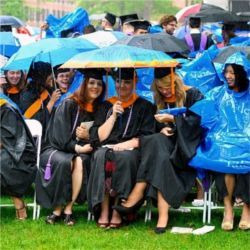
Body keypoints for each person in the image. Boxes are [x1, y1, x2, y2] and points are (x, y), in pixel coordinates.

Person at [114, 67, 203, 234]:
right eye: (160, 88)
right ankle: (162, 216)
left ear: (176, 82)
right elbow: (155, 128)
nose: (165, 91)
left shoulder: (193, 94)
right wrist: (161, 130)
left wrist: (173, 119)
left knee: (155, 145)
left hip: (186, 148)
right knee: (157, 144)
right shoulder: (160, 100)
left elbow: (199, 123)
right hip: (165, 150)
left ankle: (139, 190)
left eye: (168, 87)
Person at [35, 69, 106, 226]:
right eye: (92, 83)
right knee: (69, 161)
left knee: (80, 161)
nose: (95, 87)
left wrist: (88, 138)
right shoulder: (69, 103)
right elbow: (59, 137)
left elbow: (99, 134)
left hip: (81, 151)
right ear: (84, 84)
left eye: (99, 84)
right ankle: (59, 210)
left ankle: (67, 208)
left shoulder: (99, 109)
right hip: (55, 148)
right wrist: (78, 148)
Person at [88, 68, 156, 228]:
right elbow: (98, 137)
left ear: (135, 82)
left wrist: (123, 145)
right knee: (100, 155)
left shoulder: (145, 106)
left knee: (125, 157)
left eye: (127, 82)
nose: (122, 86)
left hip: (130, 149)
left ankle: (119, 209)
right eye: (118, 81)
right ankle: (104, 209)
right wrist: (113, 116)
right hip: (106, 147)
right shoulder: (105, 106)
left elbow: (146, 137)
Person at [189, 52, 250, 231]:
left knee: (247, 159)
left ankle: (247, 208)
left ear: (241, 72)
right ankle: (228, 208)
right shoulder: (217, 93)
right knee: (223, 159)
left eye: (232, 72)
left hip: (246, 141)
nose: (228, 76)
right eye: (226, 72)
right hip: (223, 140)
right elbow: (205, 117)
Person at [0, 84, 37, 220]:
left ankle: (18, 203)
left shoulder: (5, 108)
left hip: (20, 154)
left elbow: (12, 139)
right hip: (6, 152)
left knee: (2, 166)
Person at [19, 62, 61, 139]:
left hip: (51, 134)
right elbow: (35, 122)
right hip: (36, 140)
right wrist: (51, 102)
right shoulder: (27, 95)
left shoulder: (47, 90)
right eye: (50, 75)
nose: (53, 78)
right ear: (42, 76)